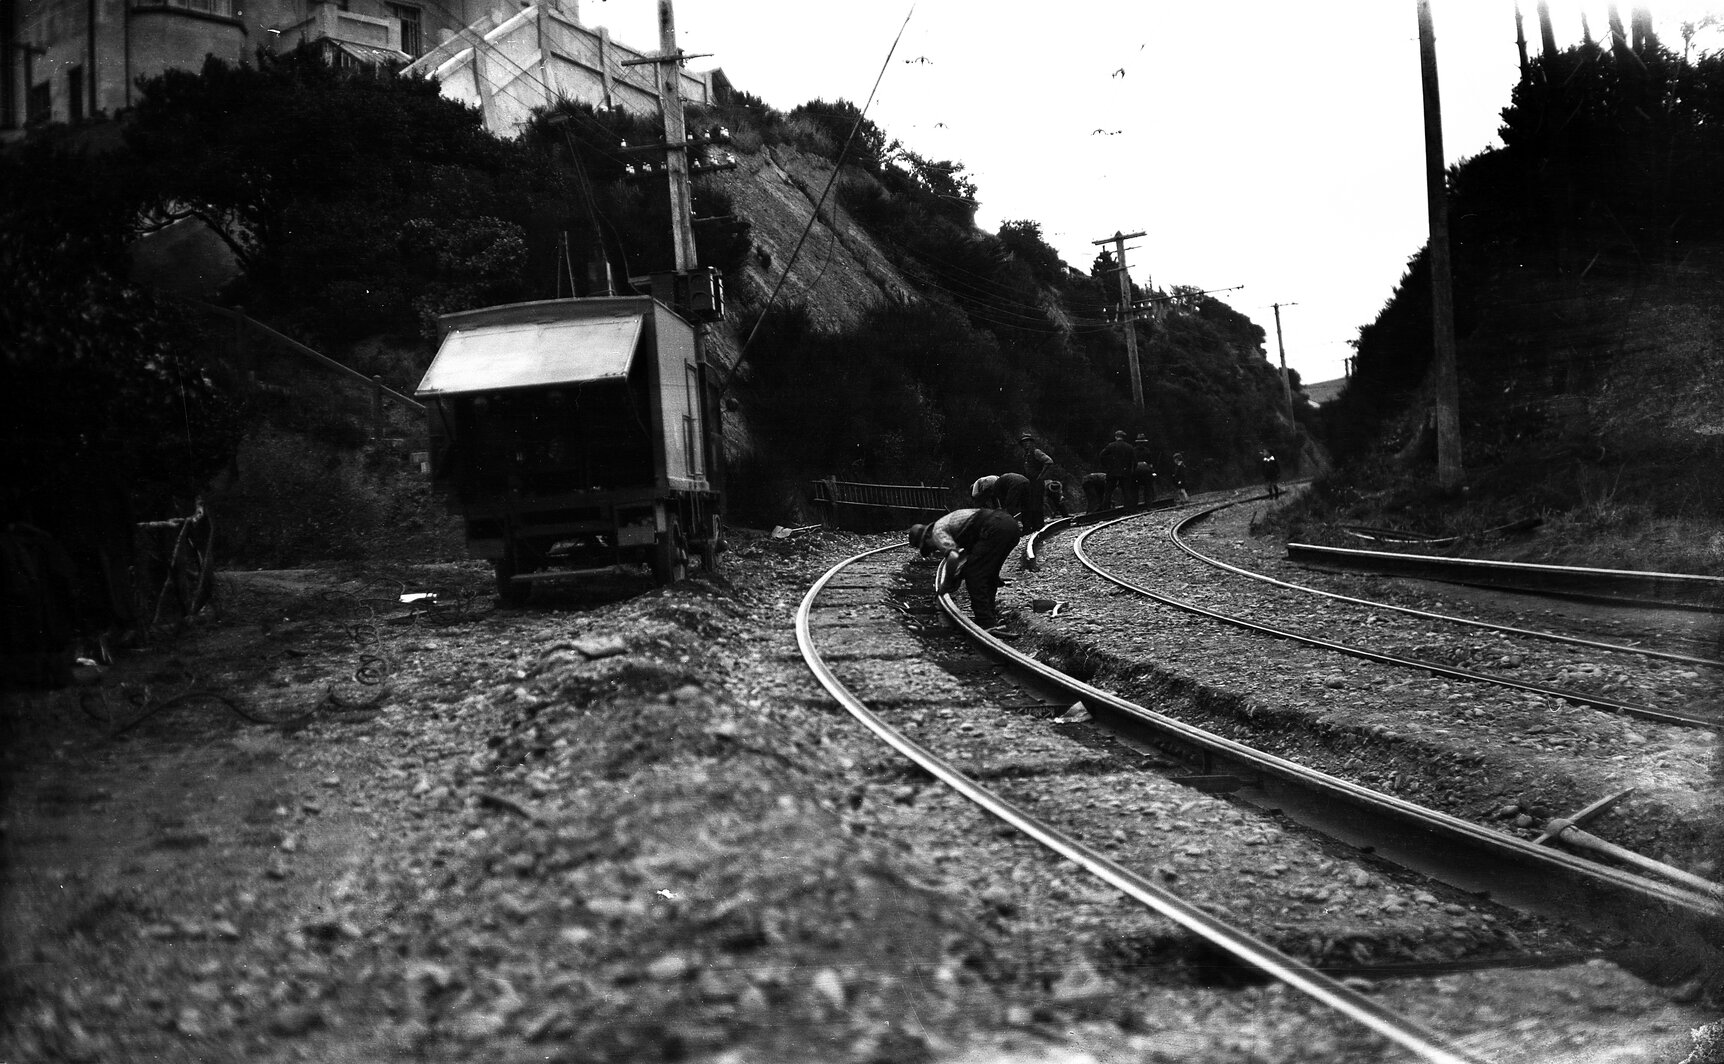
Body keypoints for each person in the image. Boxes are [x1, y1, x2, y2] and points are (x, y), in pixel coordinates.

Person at [907, 508, 1023, 631]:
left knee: (974, 574)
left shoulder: (937, 532)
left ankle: (986, 623)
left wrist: (946, 584)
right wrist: (957, 576)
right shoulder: (949, 524)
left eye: (929, 547)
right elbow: (967, 557)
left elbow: (953, 557)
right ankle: (990, 615)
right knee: (989, 573)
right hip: (1009, 525)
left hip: (994, 528)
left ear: (926, 537)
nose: (934, 549)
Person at [1017, 434, 1053, 531]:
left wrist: (1041, 475)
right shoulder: (1025, 455)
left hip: (1036, 482)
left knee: (1037, 503)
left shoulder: (1036, 452)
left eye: (1027, 442)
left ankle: (1039, 525)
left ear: (1032, 442)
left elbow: (1049, 461)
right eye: (1024, 442)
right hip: (1029, 482)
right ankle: (1033, 525)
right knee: (1030, 503)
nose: (1026, 444)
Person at [1100, 430, 1137, 510]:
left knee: (1108, 491)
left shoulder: (1110, 446)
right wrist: (1132, 470)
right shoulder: (1129, 447)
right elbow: (1134, 460)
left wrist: (1107, 466)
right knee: (1126, 491)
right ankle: (1128, 509)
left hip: (1112, 471)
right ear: (1123, 437)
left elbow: (1102, 455)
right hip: (1125, 472)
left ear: (1116, 437)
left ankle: (1105, 509)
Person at [1132, 433, 1158, 508]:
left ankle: (1134, 506)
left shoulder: (1133, 451)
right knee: (1148, 489)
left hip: (1136, 473)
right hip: (1146, 473)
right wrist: (1152, 472)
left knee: (1134, 490)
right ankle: (1149, 505)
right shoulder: (1147, 451)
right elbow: (1150, 464)